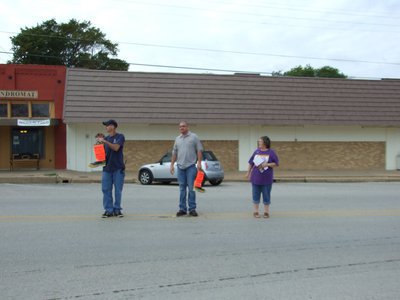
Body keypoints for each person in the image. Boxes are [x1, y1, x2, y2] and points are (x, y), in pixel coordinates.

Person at [170, 121, 203, 217]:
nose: (181, 128)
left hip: (191, 167)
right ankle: (182, 209)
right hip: (180, 167)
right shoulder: (177, 139)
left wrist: (199, 163)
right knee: (182, 189)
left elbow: (199, 150)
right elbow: (174, 153)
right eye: (180, 127)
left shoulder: (194, 137)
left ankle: (192, 209)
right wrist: (172, 165)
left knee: (191, 189)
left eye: (183, 126)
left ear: (187, 127)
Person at [97, 119, 126, 218]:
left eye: (107, 125)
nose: (106, 127)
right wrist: (98, 152)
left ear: (113, 126)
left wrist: (105, 141)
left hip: (118, 168)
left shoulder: (120, 137)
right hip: (107, 169)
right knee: (106, 189)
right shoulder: (106, 139)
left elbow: (116, 148)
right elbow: (103, 155)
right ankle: (108, 210)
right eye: (105, 126)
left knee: (118, 190)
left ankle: (117, 209)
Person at [246, 136, 279, 218]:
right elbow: (251, 163)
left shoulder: (271, 152)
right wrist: (248, 172)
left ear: (265, 142)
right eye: (259, 141)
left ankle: (266, 212)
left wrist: (267, 164)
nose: (259, 143)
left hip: (267, 179)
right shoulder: (256, 151)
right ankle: (256, 211)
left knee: (266, 195)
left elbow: (276, 163)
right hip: (256, 177)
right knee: (255, 194)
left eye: (260, 141)